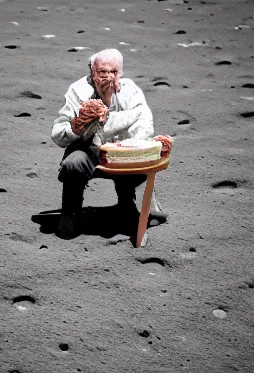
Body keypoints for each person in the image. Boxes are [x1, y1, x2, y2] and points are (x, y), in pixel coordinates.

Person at [51, 48, 168, 240]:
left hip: (124, 149)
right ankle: (70, 213)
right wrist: (77, 125)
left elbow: (144, 125)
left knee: (146, 157)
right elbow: (58, 134)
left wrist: (131, 145)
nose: (107, 77)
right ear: (92, 71)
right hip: (89, 149)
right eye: (101, 72)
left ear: (120, 73)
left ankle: (130, 203)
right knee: (73, 163)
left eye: (113, 72)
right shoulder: (78, 91)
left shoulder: (131, 91)